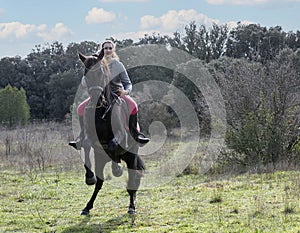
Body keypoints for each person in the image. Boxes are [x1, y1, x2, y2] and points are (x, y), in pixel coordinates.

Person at [69, 40, 150, 150]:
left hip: (117, 92)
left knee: (133, 105)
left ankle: (136, 135)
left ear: (113, 50)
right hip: (99, 94)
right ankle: (81, 137)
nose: (107, 50)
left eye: (109, 48)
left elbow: (128, 83)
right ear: (102, 49)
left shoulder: (118, 65)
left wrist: (126, 92)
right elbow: (85, 81)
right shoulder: (95, 62)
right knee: (80, 108)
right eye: (105, 48)